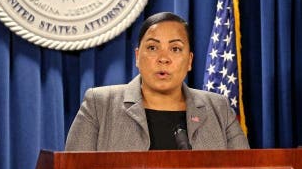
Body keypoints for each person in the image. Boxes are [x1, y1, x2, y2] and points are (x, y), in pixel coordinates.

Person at [66, 12, 249, 151]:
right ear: (138, 57)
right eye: (153, 47)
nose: (164, 58)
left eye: (175, 49)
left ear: (190, 61)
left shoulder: (218, 108)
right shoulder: (99, 105)